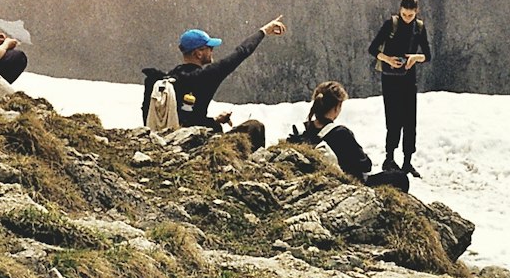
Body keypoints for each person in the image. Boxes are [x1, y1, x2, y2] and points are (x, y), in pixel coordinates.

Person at [166, 16, 286, 150]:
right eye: (209, 47)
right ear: (198, 53)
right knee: (255, 127)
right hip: (197, 146)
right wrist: (263, 31)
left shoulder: (171, 77)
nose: (212, 50)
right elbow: (241, 52)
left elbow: (187, 119)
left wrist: (215, 120)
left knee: (216, 127)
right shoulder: (204, 76)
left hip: (174, 143)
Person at [292, 80, 409, 192]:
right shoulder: (341, 133)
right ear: (336, 108)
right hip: (348, 184)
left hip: (315, 182)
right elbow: (365, 165)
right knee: (400, 178)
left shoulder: (300, 131)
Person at [368, 0, 431, 178]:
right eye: (404, 14)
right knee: (393, 119)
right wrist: (388, 58)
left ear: (416, 13)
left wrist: (415, 58)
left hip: (409, 78)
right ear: (400, 11)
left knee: (410, 120)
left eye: (410, 15)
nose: (407, 18)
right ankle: (389, 157)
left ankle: (407, 161)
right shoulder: (391, 24)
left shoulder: (419, 28)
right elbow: (373, 49)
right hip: (390, 78)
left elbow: (427, 54)